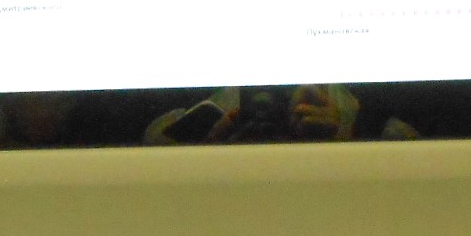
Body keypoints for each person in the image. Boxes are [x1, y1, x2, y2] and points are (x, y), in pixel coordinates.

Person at [144, 84, 420, 144]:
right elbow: (155, 139)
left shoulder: (335, 98)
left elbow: (408, 144)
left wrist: (348, 135)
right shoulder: (226, 96)